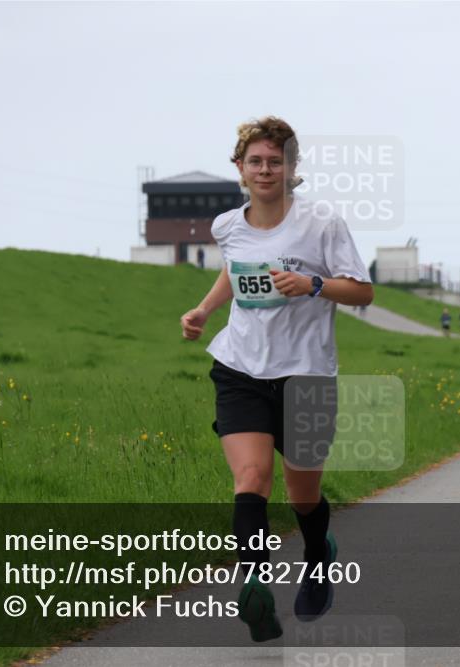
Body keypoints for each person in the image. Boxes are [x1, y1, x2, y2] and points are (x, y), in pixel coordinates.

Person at [180, 117, 373, 641]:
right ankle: (255, 588)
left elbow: (362, 292)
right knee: (251, 481)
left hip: (307, 372)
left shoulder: (321, 223)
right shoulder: (226, 225)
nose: (266, 170)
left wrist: (312, 284)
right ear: (240, 167)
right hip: (240, 367)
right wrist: (202, 309)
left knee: (302, 492)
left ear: (291, 168)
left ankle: (317, 554)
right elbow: (233, 268)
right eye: (256, 161)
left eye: (276, 161)